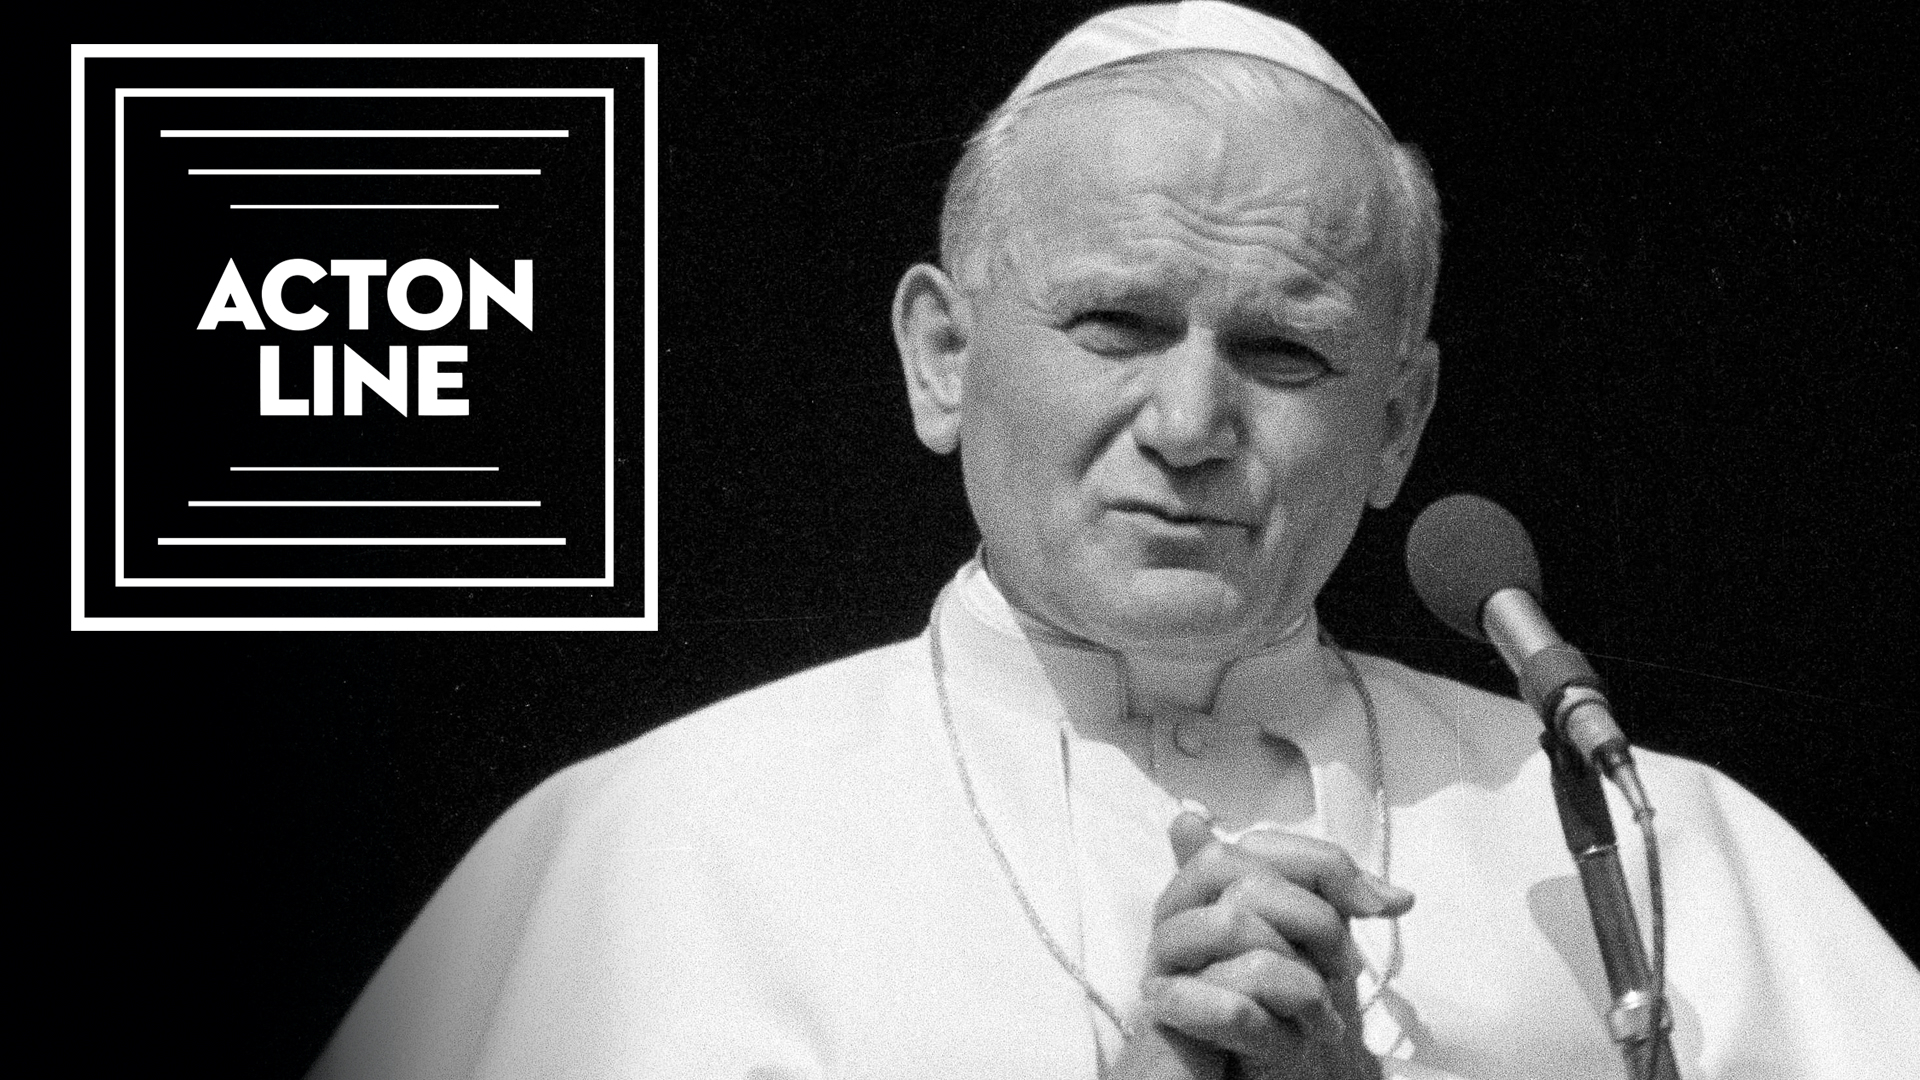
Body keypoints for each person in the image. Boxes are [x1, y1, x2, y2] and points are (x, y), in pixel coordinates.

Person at [311, 4, 1920, 1078]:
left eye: (1284, 350)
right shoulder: (656, 849)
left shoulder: (1646, 853)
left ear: (1398, 423)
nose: (1193, 420)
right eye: (1117, 324)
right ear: (943, 358)